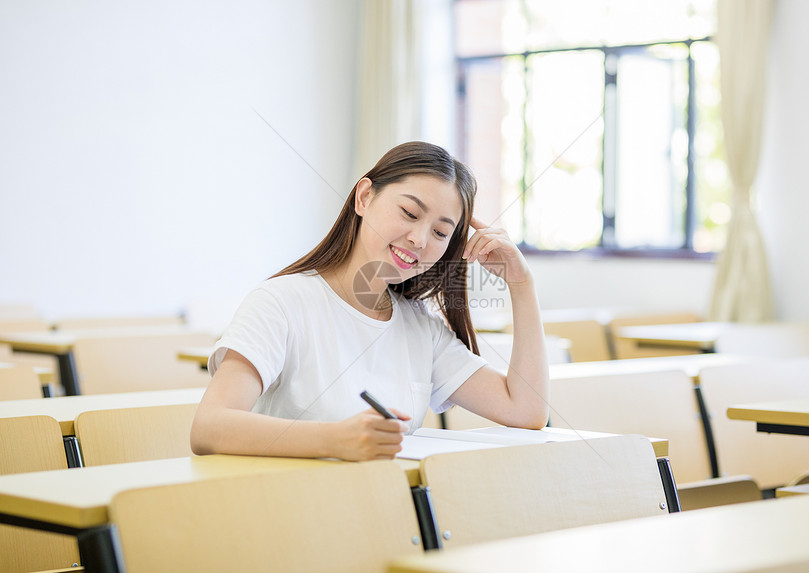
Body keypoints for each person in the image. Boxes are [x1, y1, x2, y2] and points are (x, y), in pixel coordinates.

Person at [190, 141, 548, 461]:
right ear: (364, 197)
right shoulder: (280, 303)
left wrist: (522, 284)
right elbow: (209, 427)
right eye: (409, 213)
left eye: (440, 232)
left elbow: (527, 411)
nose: (420, 239)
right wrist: (334, 440)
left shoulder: (421, 327)